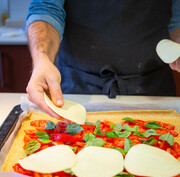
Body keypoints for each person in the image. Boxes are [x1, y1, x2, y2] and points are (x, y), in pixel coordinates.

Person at [25, 0, 180, 119]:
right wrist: (41, 57)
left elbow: (177, 18)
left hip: (153, 90)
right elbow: (46, 8)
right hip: (77, 88)